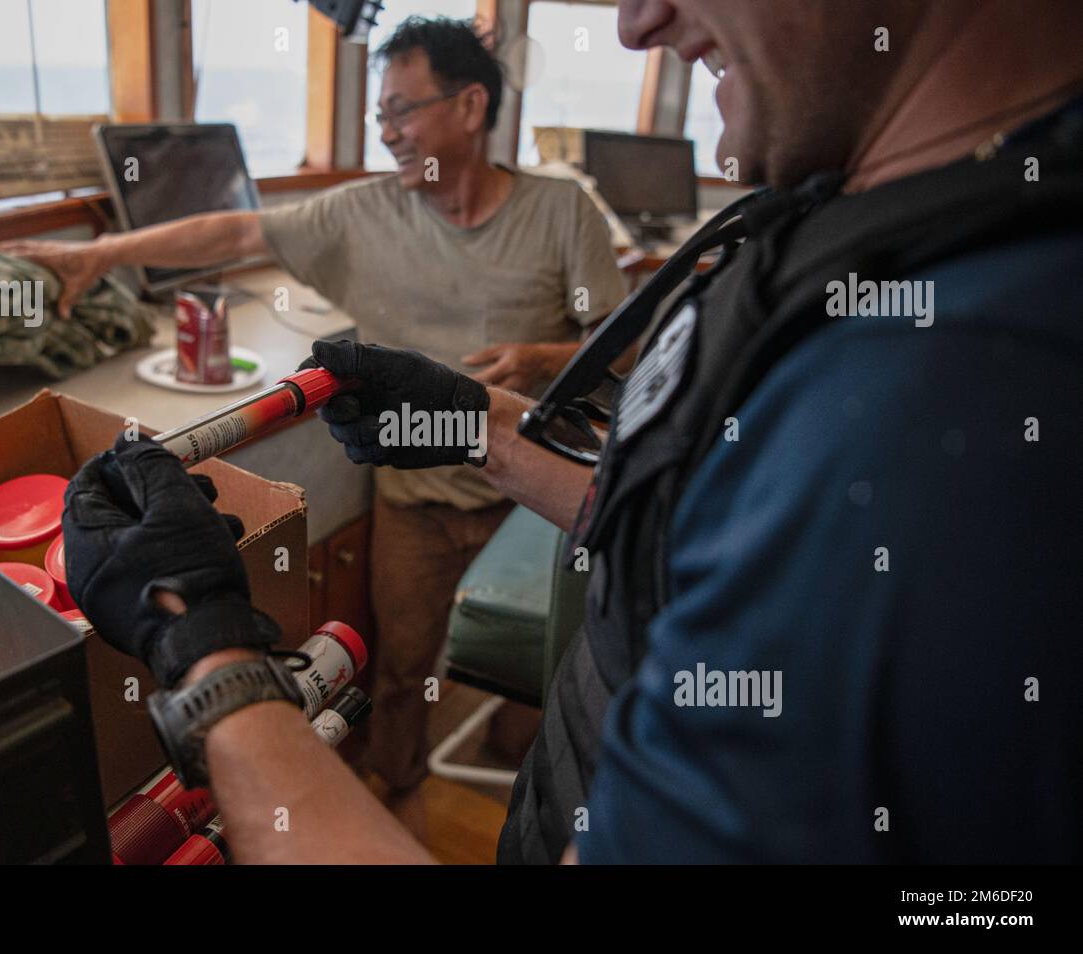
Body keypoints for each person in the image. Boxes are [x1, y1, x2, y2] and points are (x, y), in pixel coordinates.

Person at [61, 0, 1083, 863]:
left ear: (469, 108)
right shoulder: (864, 225)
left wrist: (206, 660)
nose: (636, 22)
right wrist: (481, 429)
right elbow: (685, 537)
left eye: (402, 108)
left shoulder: (951, 384)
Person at [1, 17, 626, 825]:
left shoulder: (560, 209)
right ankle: (399, 785)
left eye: (403, 110)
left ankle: (516, 752)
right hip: (419, 498)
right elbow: (235, 228)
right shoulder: (359, 214)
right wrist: (102, 254)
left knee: (549, 667)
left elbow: (620, 339)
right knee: (402, 669)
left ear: (471, 106)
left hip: (537, 495)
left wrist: (544, 359)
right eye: (378, 116)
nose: (387, 132)